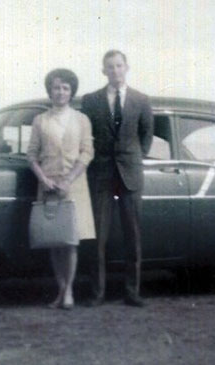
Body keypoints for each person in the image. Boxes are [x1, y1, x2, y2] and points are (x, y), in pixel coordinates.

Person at [81, 50, 154, 307]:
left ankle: (132, 292)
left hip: (130, 175)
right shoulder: (90, 101)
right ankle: (97, 293)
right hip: (101, 174)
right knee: (97, 236)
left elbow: (147, 135)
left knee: (133, 235)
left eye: (119, 66)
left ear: (127, 67)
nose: (115, 71)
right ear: (103, 71)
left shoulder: (141, 100)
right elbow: (85, 135)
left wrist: (134, 158)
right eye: (110, 67)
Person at [27, 68, 96, 309]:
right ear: (50, 91)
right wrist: (44, 178)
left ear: (71, 92)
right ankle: (60, 290)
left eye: (65, 88)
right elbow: (31, 155)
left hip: (74, 184)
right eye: (56, 87)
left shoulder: (81, 119)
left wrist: (69, 179)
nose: (61, 92)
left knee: (70, 241)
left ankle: (68, 293)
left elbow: (88, 152)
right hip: (48, 185)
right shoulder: (41, 120)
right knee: (54, 241)